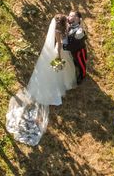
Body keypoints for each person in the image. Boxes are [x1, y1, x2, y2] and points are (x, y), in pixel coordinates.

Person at [5, 14, 77, 145]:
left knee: (56, 72)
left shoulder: (62, 25)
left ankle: (58, 84)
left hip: (57, 51)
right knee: (56, 73)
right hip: (58, 53)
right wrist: (59, 58)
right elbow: (59, 45)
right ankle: (55, 90)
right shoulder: (57, 32)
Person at [64, 10, 87, 84]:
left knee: (81, 63)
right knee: (75, 61)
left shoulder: (79, 31)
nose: (68, 17)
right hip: (73, 51)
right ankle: (76, 65)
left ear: (77, 18)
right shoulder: (71, 25)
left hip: (78, 52)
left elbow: (74, 45)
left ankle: (82, 75)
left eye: (71, 16)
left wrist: (64, 47)